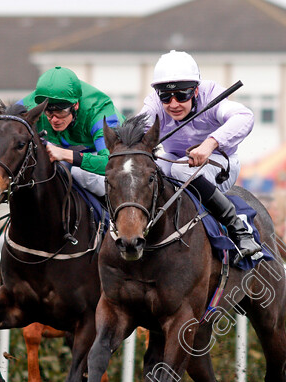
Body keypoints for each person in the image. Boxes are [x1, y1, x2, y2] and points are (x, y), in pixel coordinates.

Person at [138, 50, 260, 262]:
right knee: (152, 170)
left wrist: (210, 144)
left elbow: (245, 116)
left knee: (179, 168)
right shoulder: (154, 105)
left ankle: (239, 230)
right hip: (175, 160)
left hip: (221, 164)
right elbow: (138, 128)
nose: (173, 104)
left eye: (181, 95)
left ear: (195, 91)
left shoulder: (211, 94)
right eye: (166, 96)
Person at [18, 66, 123, 197]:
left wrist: (66, 154)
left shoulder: (100, 112)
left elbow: (112, 164)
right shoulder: (32, 104)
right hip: (71, 149)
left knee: (82, 174)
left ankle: (110, 216)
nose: (54, 119)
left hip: (118, 158)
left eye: (61, 111)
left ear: (76, 105)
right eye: (49, 112)